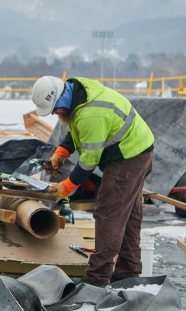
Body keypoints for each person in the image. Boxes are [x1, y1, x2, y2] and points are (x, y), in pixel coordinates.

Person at [32, 75, 155, 287]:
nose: (53, 114)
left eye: (53, 109)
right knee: (129, 215)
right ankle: (129, 272)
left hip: (128, 157)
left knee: (109, 213)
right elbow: (76, 131)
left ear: (60, 100)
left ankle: (97, 279)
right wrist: (60, 153)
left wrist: (65, 187)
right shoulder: (79, 96)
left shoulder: (91, 113)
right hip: (139, 150)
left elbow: (89, 162)